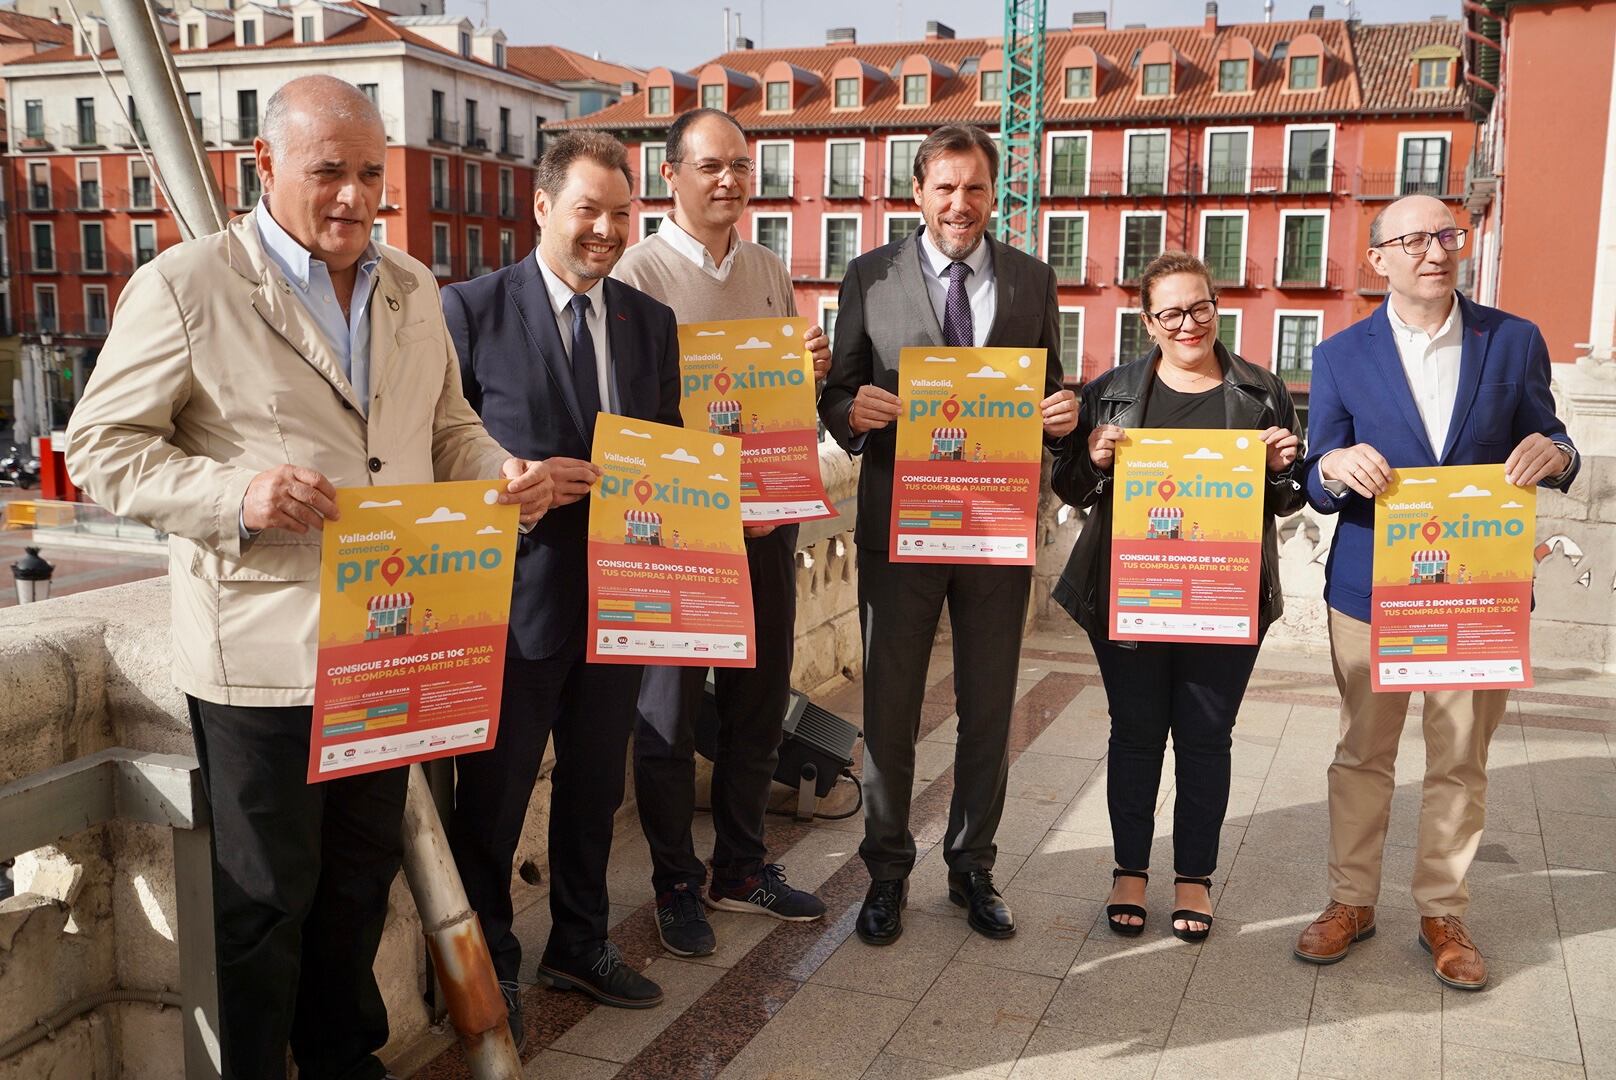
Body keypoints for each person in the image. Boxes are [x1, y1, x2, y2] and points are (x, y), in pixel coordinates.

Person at [62, 76, 553, 1079]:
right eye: (328, 171)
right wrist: (239, 497)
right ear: (266, 168)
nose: (353, 196)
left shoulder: (413, 287)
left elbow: (446, 429)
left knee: (359, 890)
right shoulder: (187, 285)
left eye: (370, 173)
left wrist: (498, 472)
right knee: (262, 909)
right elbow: (104, 447)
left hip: (389, 642)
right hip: (260, 658)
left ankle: (346, 1066)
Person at [1294, 194, 1579, 990]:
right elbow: (1317, 468)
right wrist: (1333, 467)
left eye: (1446, 235)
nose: (1434, 250)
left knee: (1461, 759)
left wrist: (1553, 453)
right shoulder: (1341, 354)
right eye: (1413, 239)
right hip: (1369, 588)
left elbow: (1554, 437)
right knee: (1362, 754)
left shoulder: (1512, 340)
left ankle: (1442, 910)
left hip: (1477, 594)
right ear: (1378, 257)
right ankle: (1350, 901)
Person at [441, 131, 682, 1034]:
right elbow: (436, 455)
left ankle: (578, 943)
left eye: (621, 214)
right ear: (542, 207)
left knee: (591, 790)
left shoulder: (647, 323)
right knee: (495, 799)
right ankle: (487, 964)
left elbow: (669, 446)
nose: (606, 231)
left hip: (622, 598)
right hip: (513, 607)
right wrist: (514, 483)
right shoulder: (468, 310)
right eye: (589, 210)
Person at [818, 124, 1078, 946]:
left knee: (988, 707)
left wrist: (1062, 418)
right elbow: (838, 390)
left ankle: (972, 866)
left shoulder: (1033, 281)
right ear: (918, 193)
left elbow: (1053, 390)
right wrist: (849, 416)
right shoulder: (871, 275)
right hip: (900, 524)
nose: (959, 204)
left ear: (991, 194)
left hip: (996, 530)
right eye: (944, 188)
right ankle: (887, 872)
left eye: (973, 189)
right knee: (890, 708)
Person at [611, 108, 832, 957]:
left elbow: (782, 409)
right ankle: (675, 882)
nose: (729, 180)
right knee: (665, 715)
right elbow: (628, 405)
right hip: (679, 526)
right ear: (671, 174)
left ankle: (741, 866)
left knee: (757, 701)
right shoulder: (637, 271)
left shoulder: (771, 267)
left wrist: (802, 372)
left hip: (768, 521)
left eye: (740, 164)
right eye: (711, 165)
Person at [1050, 251, 1304, 941]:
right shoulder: (1111, 390)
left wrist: (1284, 466)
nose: (1189, 323)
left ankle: (1193, 876)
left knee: (1205, 739)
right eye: (1171, 312)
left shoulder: (1261, 390)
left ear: (1215, 308)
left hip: (1224, 595)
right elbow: (1070, 487)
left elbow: (1283, 499)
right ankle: (1129, 871)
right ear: (1148, 321)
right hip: (1130, 593)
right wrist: (1091, 459)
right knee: (1134, 736)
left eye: (1200, 308)